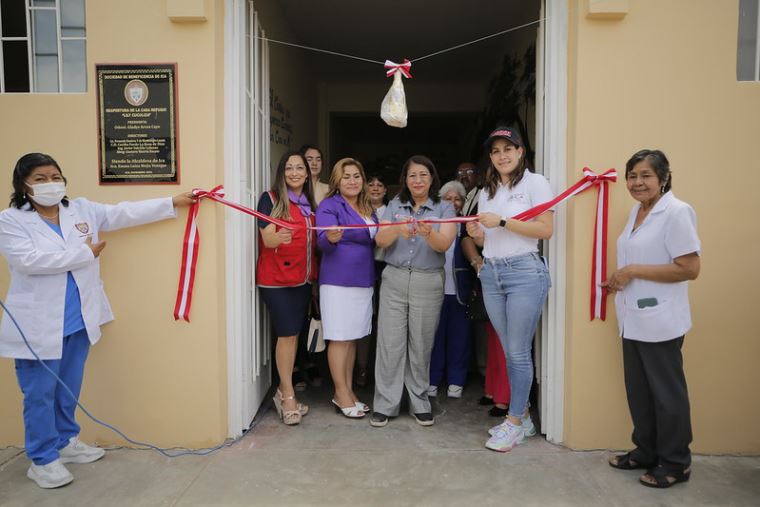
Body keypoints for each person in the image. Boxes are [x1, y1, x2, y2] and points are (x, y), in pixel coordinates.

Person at [0, 152, 196, 489]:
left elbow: (123, 213)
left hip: (78, 319)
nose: (50, 184)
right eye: (40, 178)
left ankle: (66, 441)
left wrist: (172, 201)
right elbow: (29, 260)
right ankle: (42, 458)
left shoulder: (80, 209)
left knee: (68, 388)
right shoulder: (11, 220)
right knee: (39, 393)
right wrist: (84, 254)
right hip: (37, 325)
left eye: (55, 176)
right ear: (23, 185)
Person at [603, 149, 700, 489]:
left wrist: (630, 271)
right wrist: (618, 279)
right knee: (640, 392)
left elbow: (689, 268)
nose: (637, 182)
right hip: (633, 318)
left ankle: (675, 462)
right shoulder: (637, 211)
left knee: (667, 395)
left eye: (645, 175)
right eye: (632, 176)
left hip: (661, 321)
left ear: (663, 177)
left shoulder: (676, 212)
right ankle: (645, 451)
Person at [466, 126, 554, 452]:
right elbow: (485, 239)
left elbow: (546, 229)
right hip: (492, 273)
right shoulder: (488, 190)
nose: (502, 155)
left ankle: (515, 421)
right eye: (496, 151)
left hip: (524, 272)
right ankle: (524, 416)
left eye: (508, 149)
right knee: (509, 350)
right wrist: (478, 232)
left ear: (520, 152)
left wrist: (501, 222)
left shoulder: (536, 183)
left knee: (517, 351)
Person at [371, 155, 456, 428]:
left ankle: (420, 402)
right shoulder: (395, 204)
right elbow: (380, 241)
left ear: (432, 178)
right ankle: (385, 404)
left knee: (421, 344)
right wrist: (397, 228)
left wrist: (427, 233)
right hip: (394, 278)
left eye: (423, 175)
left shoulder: (445, 208)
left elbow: (443, 245)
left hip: (427, 280)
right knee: (389, 343)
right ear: (405, 180)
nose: (417, 180)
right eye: (412, 175)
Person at [256, 150, 318, 426]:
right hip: (277, 281)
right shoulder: (269, 199)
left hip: (303, 280)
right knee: (286, 334)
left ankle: (283, 389)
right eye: (289, 168)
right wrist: (277, 236)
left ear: (308, 173)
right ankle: (287, 394)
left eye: (299, 168)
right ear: (282, 173)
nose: (294, 173)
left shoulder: (310, 203)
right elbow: (267, 240)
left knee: (293, 336)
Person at [316, 158, 377, 418]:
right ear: (337, 182)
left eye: (356, 176)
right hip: (338, 280)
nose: (352, 181)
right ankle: (340, 393)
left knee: (352, 338)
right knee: (340, 338)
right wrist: (330, 238)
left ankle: (349, 391)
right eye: (346, 176)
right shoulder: (330, 205)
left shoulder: (367, 206)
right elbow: (321, 241)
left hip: (363, 280)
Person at [428, 181, 472, 399]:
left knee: (459, 338)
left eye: (458, 199)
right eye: (448, 199)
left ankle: (456, 379)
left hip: (459, 292)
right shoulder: (432, 224)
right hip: (434, 291)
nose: (453, 203)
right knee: (434, 338)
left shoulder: (468, 225)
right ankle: (432, 379)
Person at [355, 173, 389, 387]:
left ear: (386, 190)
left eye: (380, 184)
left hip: (387, 268)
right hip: (362, 267)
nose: (375, 188)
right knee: (364, 320)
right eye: (371, 184)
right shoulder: (357, 210)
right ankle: (362, 368)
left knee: (385, 322)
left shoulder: (393, 210)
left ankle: (384, 372)